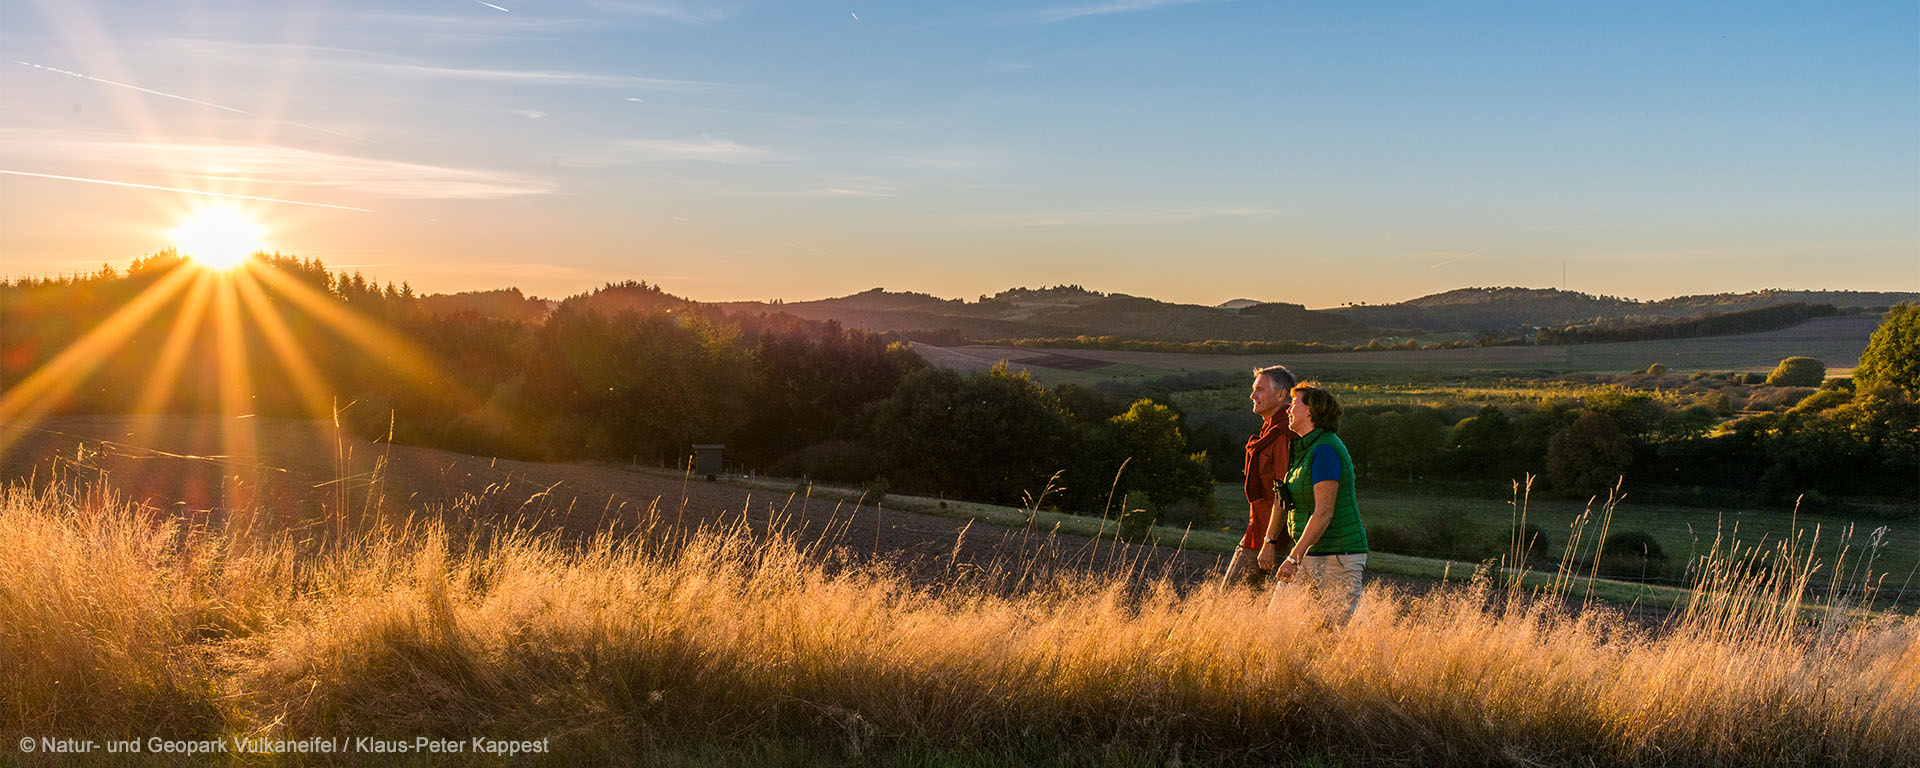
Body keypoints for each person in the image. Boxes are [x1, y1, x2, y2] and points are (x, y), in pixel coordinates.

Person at [1261, 383, 1367, 621]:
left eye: (1294, 404)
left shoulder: (1325, 450)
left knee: (1336, 632)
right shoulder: (1303, 448)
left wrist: (1292, 558)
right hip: (1310, 553)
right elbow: (1284, 498)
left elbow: (1324, 513)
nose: (1288, 409)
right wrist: (1270, 540)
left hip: (1336, 555)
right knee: (1278, 620)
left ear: (1311, 411)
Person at [1221, 365, 1297, 589]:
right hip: (1259, 532)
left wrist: (1270, 541)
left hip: (1274, 540)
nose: (1252, 395)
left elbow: (1283, 493)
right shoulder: (1269, 431)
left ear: (1282, 394)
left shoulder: (1283, 434)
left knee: (1230, 600)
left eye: (1260, 390)